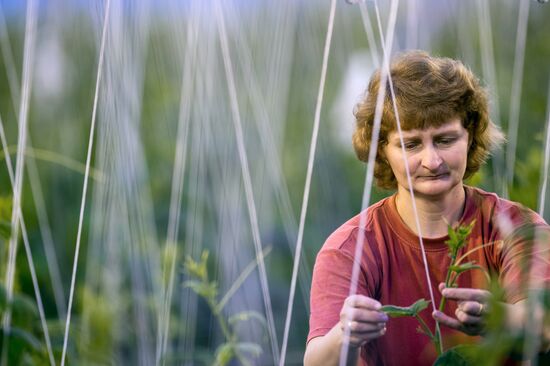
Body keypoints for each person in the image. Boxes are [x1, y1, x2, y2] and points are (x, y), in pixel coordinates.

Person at [303, 50, 550, 366]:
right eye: (411, 144)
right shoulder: (349, 249)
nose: (432, 161)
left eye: (445, 140)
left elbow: (543, 326)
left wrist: (500, 318)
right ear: (382, 149)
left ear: (471, 136)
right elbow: (317, 361)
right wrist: (345, 333)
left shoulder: (515, 227)